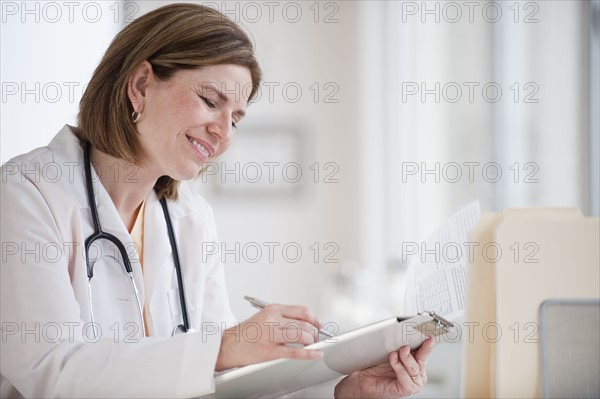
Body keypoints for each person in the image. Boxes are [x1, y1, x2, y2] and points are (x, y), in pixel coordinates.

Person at [0, 3, 434, 398]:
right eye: (211, 101)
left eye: (236, 119)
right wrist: (226, 345)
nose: (224, 133)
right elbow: (49, 371)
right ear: (139, 85)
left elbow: (227, 384)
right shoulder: (27, 195)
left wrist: (344, 393)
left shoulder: (189, 217)